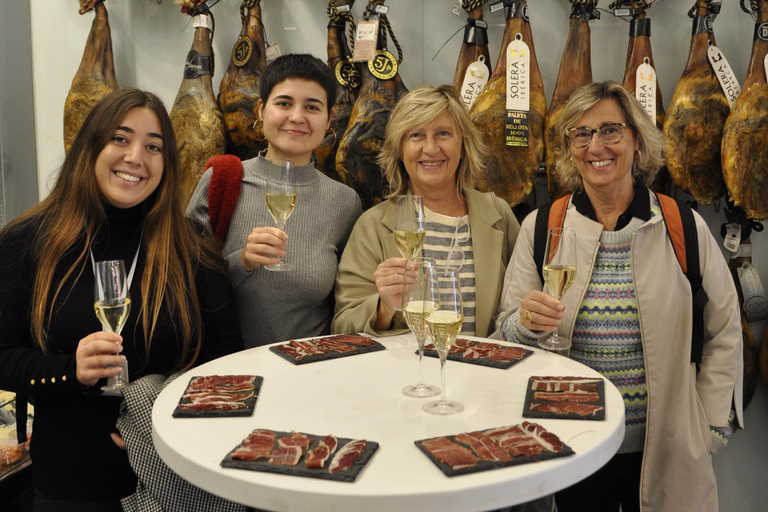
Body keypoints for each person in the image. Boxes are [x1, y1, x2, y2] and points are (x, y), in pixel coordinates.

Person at [496, 81, 743, 512]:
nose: (597, 146)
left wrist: (710, 426)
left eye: (610, 130)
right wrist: (523, 324)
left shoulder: (683, 227)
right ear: (569, 146)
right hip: (568, 447)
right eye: (581, 133)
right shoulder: (540, 228)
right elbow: (504, 336)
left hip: (664, 447)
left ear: (635, 138)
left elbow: (724, 330)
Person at [0, 89, 244, 511]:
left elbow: (226, 360)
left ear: (166, 164)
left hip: (176, 475)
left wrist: (155, 416)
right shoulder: (28, 241)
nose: (136, 157)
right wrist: (68, 370)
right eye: (120, 138)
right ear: (90, 147)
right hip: (71, 482)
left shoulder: (192, 247)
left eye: (154, 146)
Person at [187, 53, 362, 348]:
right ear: (261, 109)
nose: (297, 117)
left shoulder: (344, 201)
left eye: (312, 107)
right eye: (284, 103)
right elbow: (181, 285)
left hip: (310, 372)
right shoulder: (221, 180)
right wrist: (241, 261)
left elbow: (347, 304)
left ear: (329, 118)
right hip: (228, 372)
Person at [332, 84, 519, 337]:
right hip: (408, 374)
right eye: (416, 136)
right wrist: (383, 306)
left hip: (481, 373)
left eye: (443, 133)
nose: (431, 149)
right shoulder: (373, 225)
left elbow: (518, 308)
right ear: (399, 149)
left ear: (463, 143)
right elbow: (342, 327)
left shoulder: (499, 216)